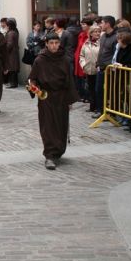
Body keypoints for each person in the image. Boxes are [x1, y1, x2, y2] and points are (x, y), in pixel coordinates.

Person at [29, 32, 79, 170]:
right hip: (46, 97)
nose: (54, 46)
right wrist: (34, 88)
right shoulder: (40, 60)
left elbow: (69, 80)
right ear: (46, 44)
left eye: (56, 43)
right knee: (48, 126)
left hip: (62, 97)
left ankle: (58, 150)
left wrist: (70, 99)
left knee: (61, 125)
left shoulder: (64, 59)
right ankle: (49, 155)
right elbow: (32, 78)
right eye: (51, 43)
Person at [95, 16, 117, 115]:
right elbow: (101, 51)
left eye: (102, 23)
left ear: (108, 24)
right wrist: (98, 63)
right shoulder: (103, 36)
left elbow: (114, 54)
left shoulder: (116, 37)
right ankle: (101, 110)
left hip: (109, 69)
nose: (101, 25)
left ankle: (111, 111)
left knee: (110, 91)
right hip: (101, 67)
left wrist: (109, 65)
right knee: (99, 90)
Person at [79, 25, 101, 113]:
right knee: (91, 89)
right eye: (95, 32)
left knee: (97, 89)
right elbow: (82, 56)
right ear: (91, 33)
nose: (97, 33)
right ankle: (92, 106)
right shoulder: (86, 43)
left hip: (98, 70)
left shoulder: (101, 43)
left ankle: (98, 107)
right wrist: (83, 65)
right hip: (88, 69)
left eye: (99, 31)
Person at [5, 18, 20, 88]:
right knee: (14, 68)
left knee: (11, 68)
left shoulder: (10, 33)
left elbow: (9, 44)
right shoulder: (15, 31)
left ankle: (12, 83)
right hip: (15, 52)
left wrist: (5, 51)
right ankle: (14, 83)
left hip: (11, 53)